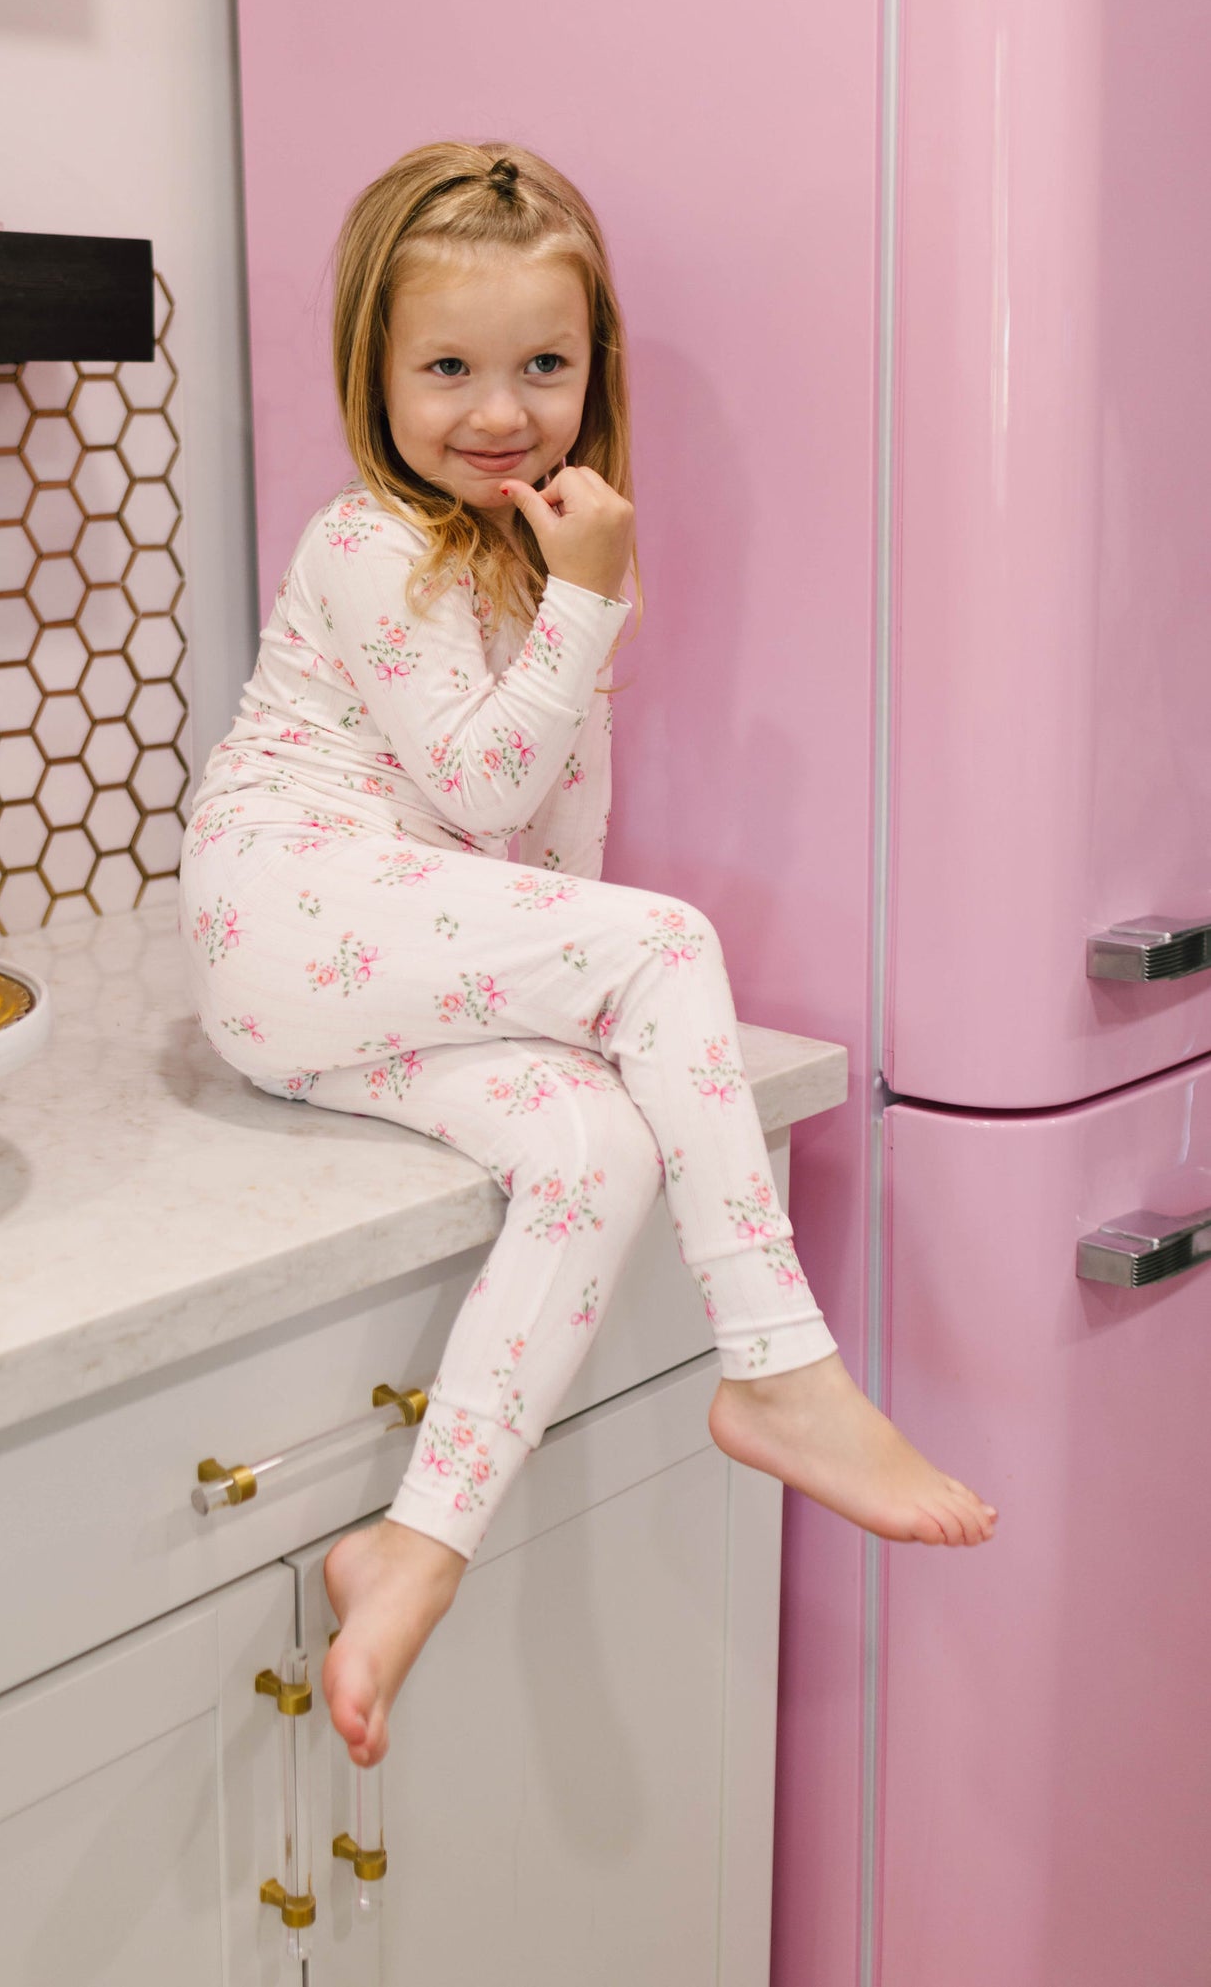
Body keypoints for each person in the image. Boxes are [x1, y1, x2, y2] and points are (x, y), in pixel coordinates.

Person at [179, 139, 997, 1770]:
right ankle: (779, 1366)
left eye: (544, 363)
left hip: (364, 974)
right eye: (450, 367)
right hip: (280, 909)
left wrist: (575, 612)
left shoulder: (535, 561)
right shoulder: (369, 544)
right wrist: (589, 608)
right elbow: (485, 791)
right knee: (667, 941)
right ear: (375, 370)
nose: (502, 408)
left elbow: (548, 857)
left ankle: (414, 1544)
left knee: (594, 1142)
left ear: (592, 371)